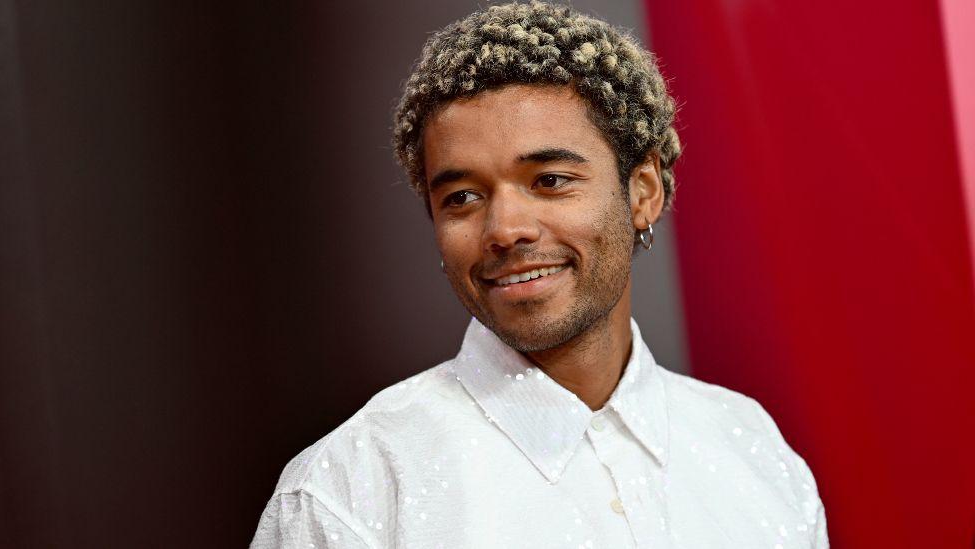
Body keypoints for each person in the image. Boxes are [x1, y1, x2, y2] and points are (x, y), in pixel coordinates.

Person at [251, 2, 828, 547]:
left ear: (642, 192)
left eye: (550, 180)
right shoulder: (351, 487)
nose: (504, 229)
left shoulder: (751, 448)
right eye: (463, 197)